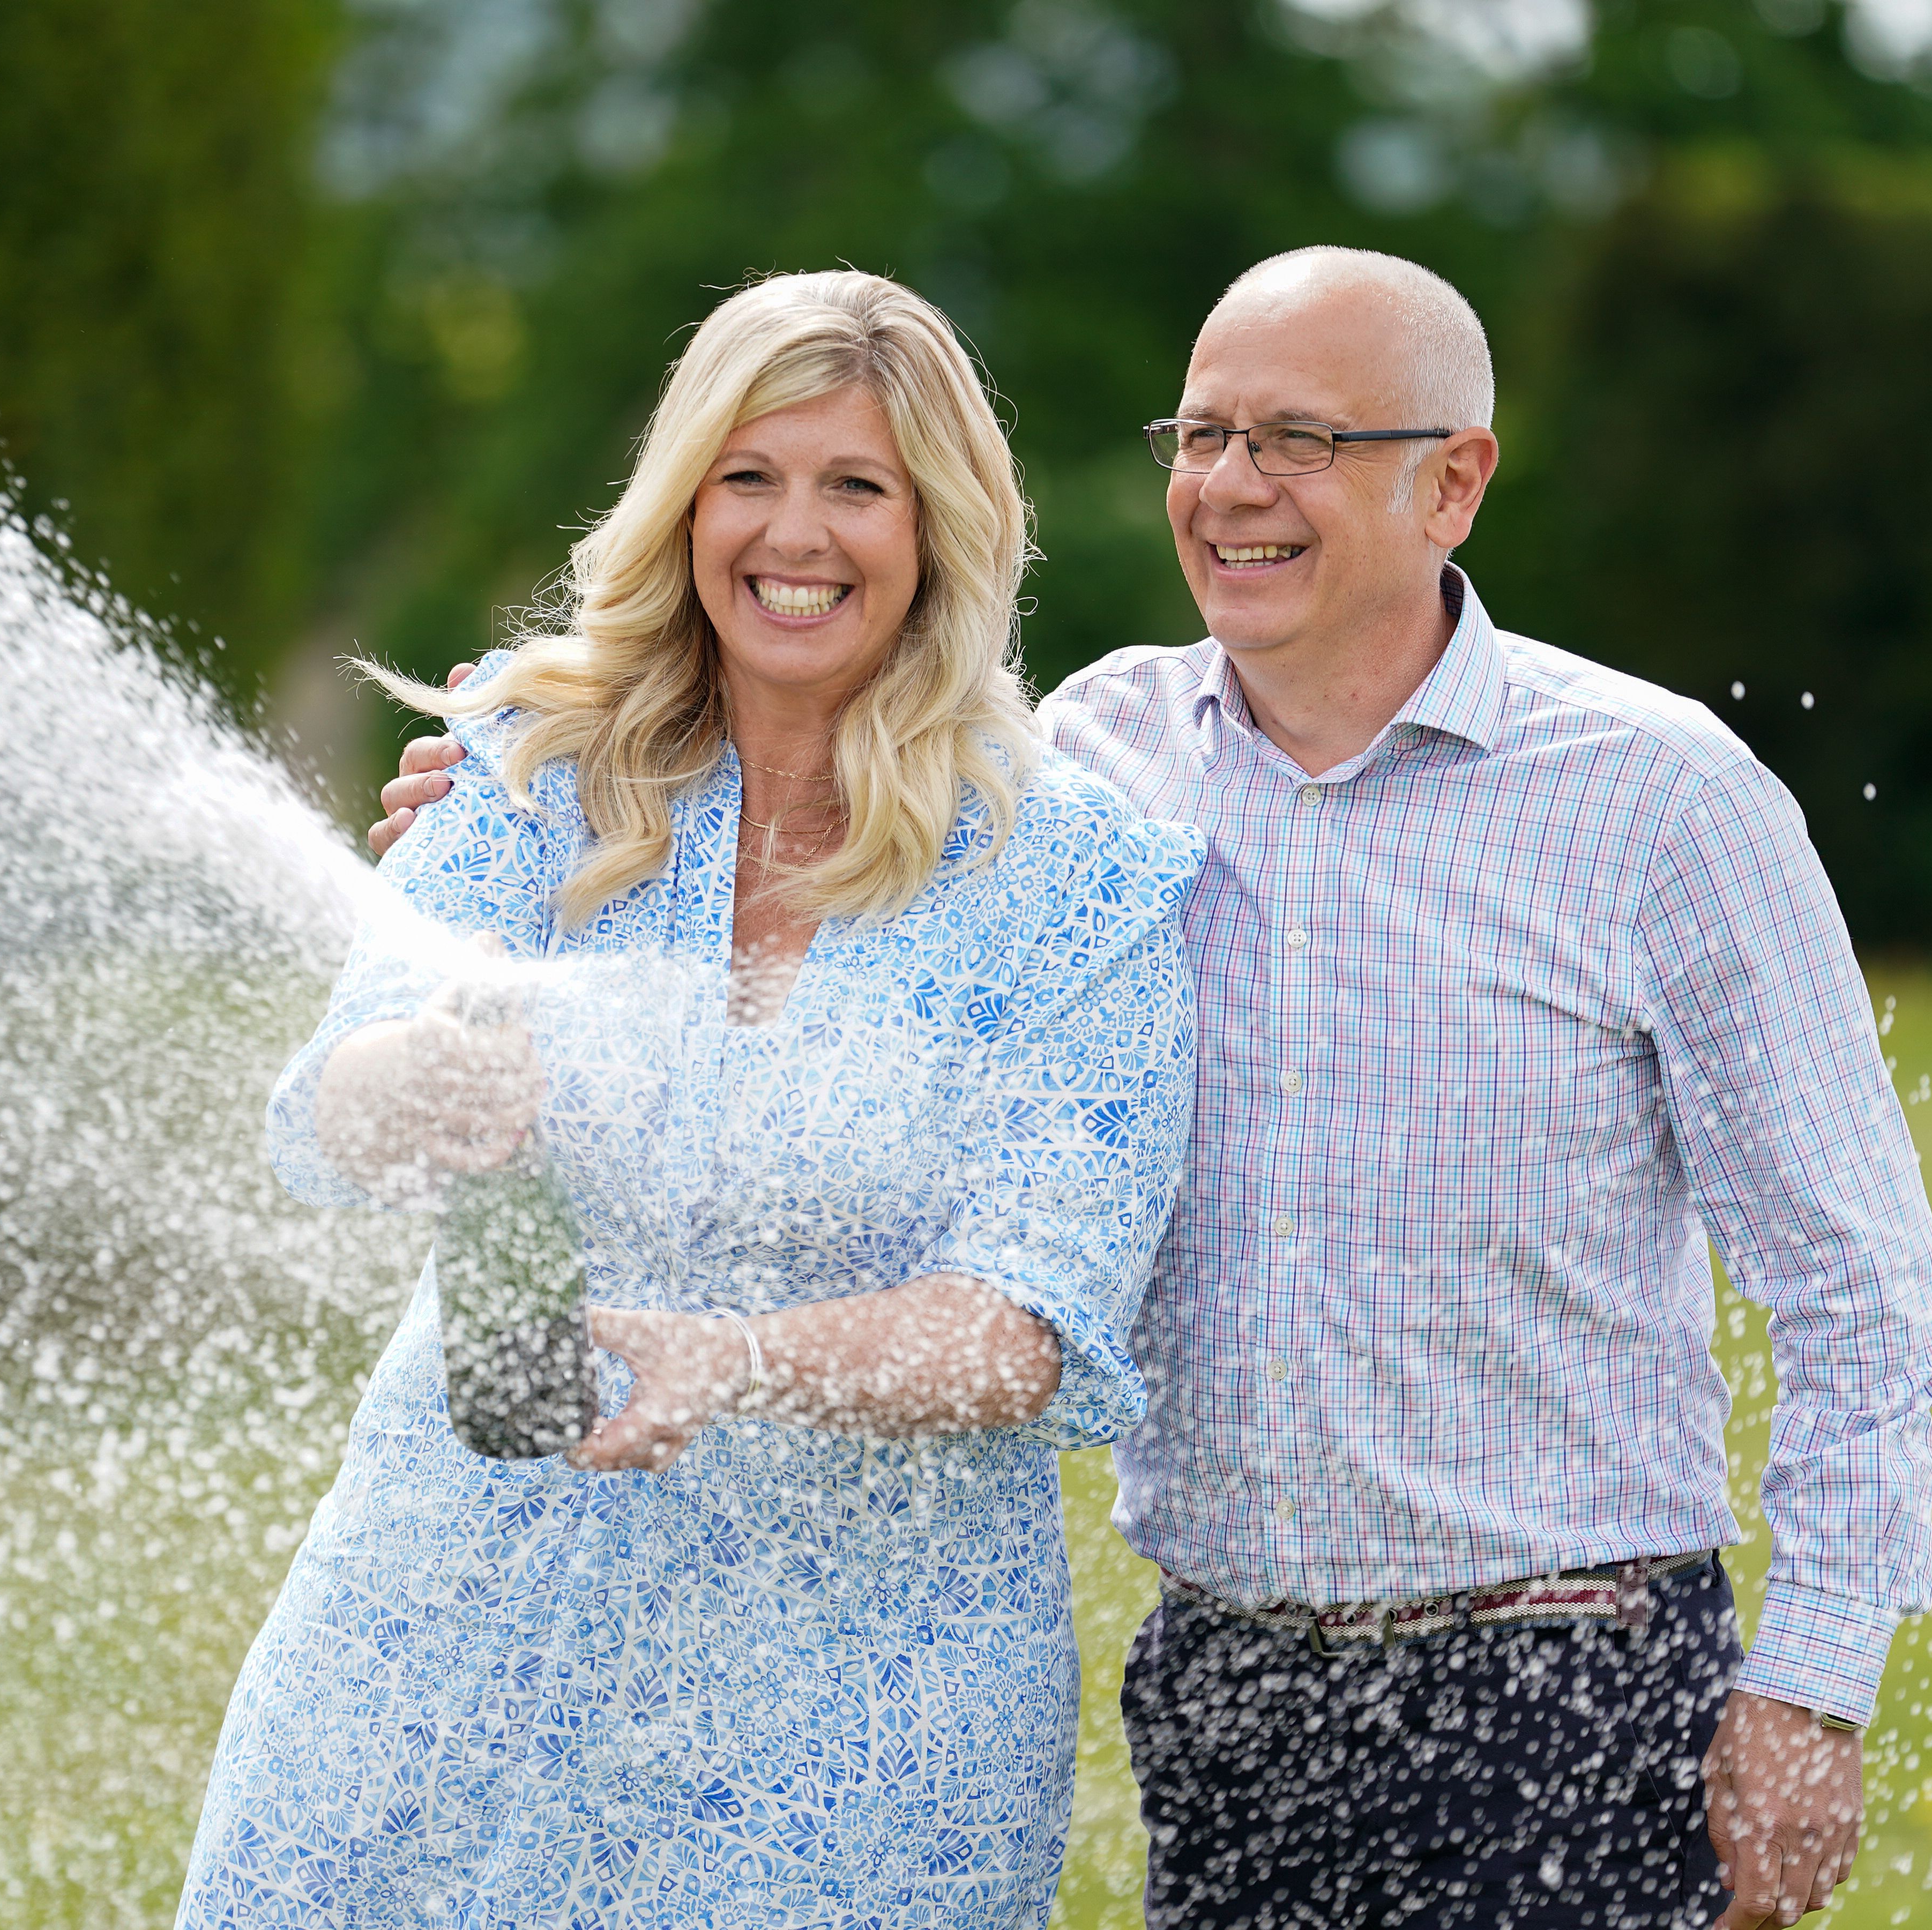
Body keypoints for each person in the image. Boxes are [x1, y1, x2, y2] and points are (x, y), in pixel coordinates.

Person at [372, 247, 1932, 1930]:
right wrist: (508, 791)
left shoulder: (1660, 801)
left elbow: (1856, 1295)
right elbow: (813, 790)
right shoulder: (1084, 763)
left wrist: (1810, 1693)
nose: (1228, 488)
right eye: (1200, 435)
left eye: (1298, 441)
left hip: (1560, 1679)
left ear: (1455, 481)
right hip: (1220, 1690)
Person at [178, 271, 1200, 1929]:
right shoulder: (534, 761)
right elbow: (332, 1107)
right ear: (683, 506)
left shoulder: (1069, 880)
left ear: (938, 527)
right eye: (749, 477)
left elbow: (1032, 1321)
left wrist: (732, 1361)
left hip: (852, 1726)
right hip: (442, 1642)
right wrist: (414, 1078)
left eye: (854, 486)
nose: (793, 533)